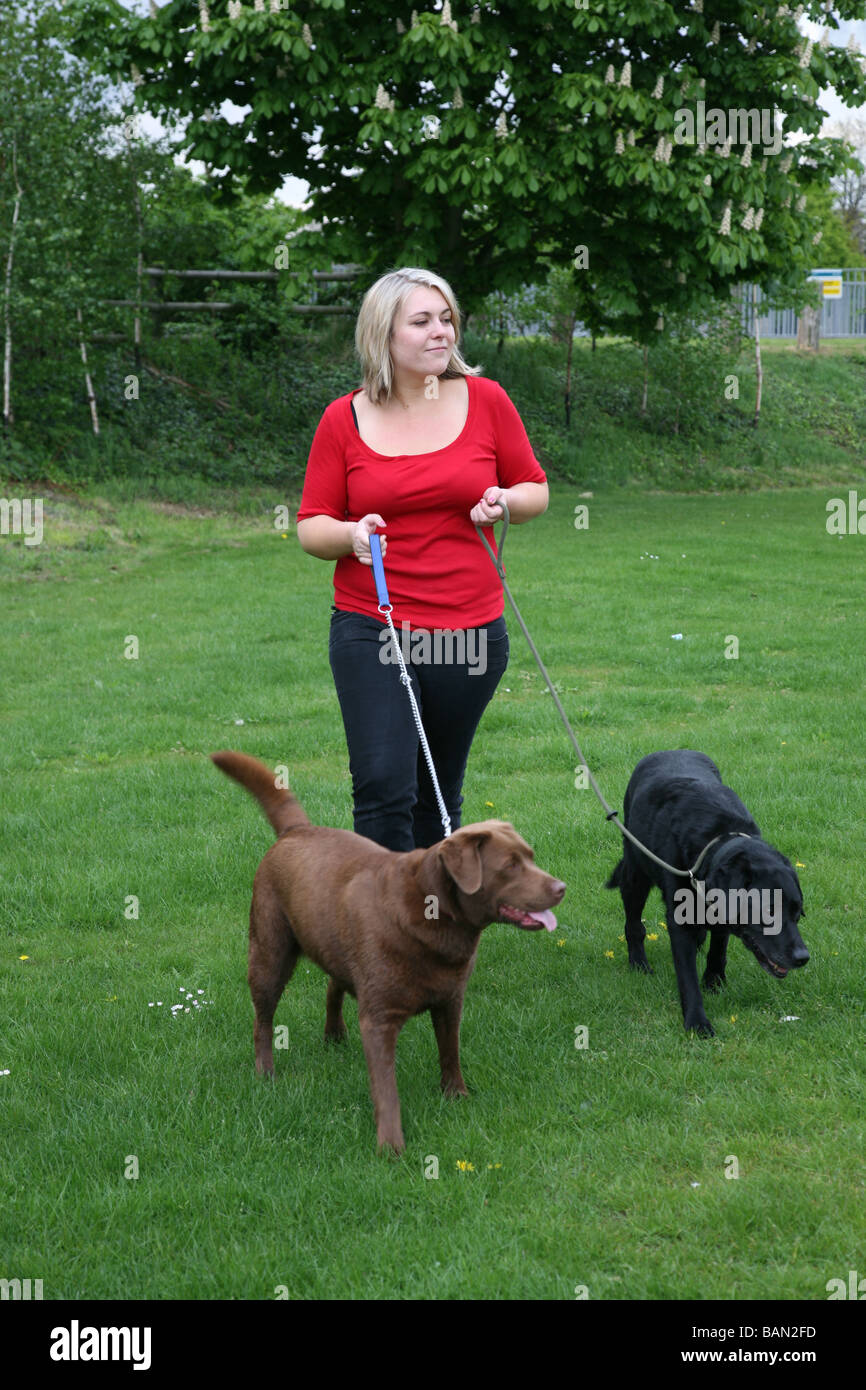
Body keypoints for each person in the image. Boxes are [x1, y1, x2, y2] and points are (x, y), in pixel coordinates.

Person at [296, 266, 548, 852]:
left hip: (468, 632)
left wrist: (503, 500)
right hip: (373, 626)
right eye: (422, 321)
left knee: (436, 792)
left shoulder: (487, 401)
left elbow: (534, 489)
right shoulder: (344, 417)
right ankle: (378, 934)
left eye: (447, 318)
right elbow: (311, 526)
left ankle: (431, 927)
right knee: (383, 786)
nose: (442, 332)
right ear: (383, 335)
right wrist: (353, 536)